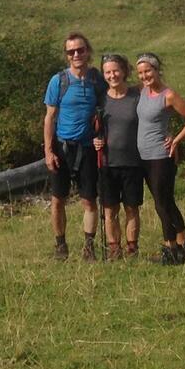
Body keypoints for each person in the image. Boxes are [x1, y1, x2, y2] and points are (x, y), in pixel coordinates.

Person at [43, 31, 106, 261]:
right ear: (67, 55)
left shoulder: (97, 79)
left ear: (88, 51)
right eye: (71, 52)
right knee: (58, 199)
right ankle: (61, 245)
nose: (76, 54)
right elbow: (49, 117)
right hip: (62, 148)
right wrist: (48, 152)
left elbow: (106, 109)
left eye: (80, 50)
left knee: (89, 200)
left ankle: (89, 247)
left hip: (88, 148)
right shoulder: (58, 80)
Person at [135, 52, 185, 265]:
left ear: (157, 70)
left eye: (148, 71)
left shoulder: (169, 95)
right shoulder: (142, 91)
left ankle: (170, 249)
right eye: (141, 72)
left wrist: (176, 141)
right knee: (167, 201)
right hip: (144, 156)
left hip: (161, 156)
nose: (145, 76)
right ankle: (184, 245)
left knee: (161, 203)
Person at [92, 54, 143, 260]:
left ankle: (132, 249)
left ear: (124, 71)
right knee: (109, 210)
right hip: (106, 163)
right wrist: (94, 139)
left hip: (133, 163)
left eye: (115, 71)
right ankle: (114, 249)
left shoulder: (136, 96)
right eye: (107, 72)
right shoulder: (100, 99)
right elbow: (93, 128)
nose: (112, 75)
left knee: (132, 208)